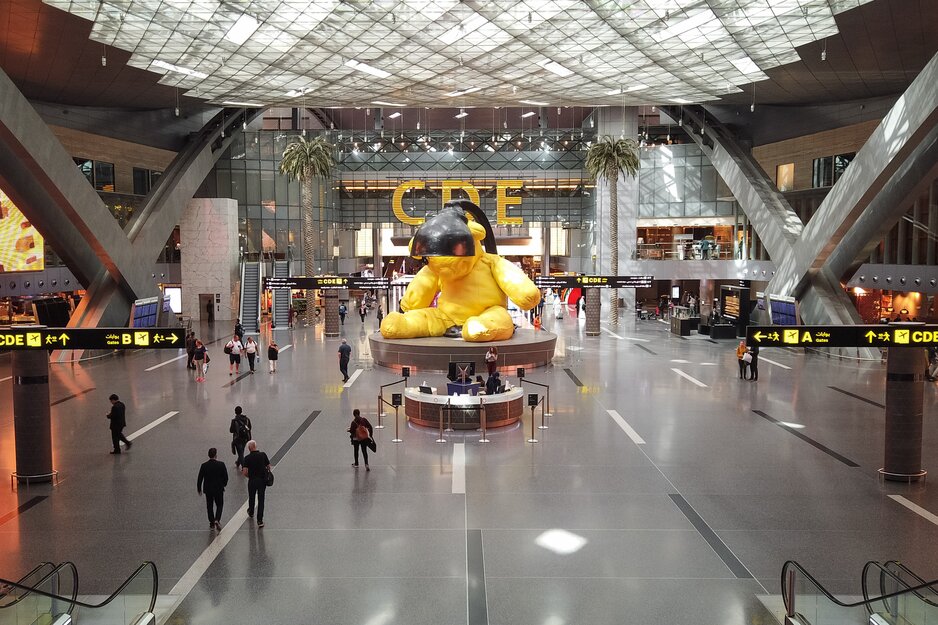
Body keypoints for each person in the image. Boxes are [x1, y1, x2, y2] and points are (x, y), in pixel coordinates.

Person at [197, 447, 228, 530]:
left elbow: (200, 478)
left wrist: (199, 488)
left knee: (209, 505)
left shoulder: (204, 465)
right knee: (220, 504)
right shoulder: (221, 464)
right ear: (216, 455)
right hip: (218, 488)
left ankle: (211, 523)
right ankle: (217, 519)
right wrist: (223, 484)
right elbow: (225, 477)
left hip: (208, 489)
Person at [241, 440, 271, 528]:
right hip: (262, 481)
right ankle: (260, 520)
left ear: (249, 448)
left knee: (252, 497)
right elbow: (269, 466)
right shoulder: (263, 455)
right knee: (261, 499)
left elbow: (245, 472)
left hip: (252, 480)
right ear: (255, 446)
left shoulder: (247, 458)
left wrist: (250, 476)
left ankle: (251, 512)